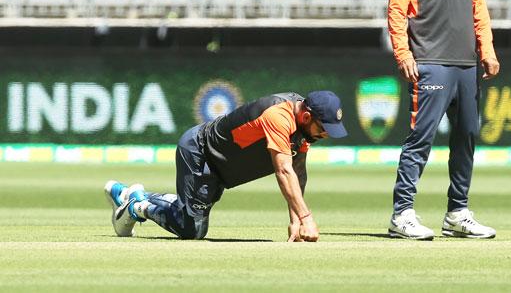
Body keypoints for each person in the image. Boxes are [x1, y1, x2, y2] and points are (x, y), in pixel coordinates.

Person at [386, 0, 500, 240]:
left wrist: (487, 50)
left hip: (466, 63)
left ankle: (457, 213)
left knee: (466, 138)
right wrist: (403, 55)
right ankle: (401, 214)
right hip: (429, 62)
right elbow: (395, 9)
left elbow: (477, 6)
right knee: (420, 138)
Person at [104, 91, 347, 242]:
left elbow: (298, 171)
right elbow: (283, 170)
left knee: (190, 216)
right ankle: (137, 206)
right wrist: (306, 217)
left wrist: (295, 219)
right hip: (200, 153)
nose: (325, 135)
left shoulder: (304, 130)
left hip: (220, 168)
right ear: (306, 117)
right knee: (192, 230)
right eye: (324, 129)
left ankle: (129, 195)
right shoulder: (279, 116)